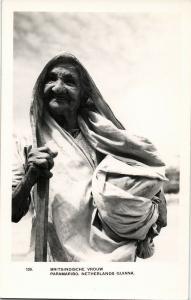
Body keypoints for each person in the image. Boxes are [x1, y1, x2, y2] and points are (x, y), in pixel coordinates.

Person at [12, 53, 167, 262]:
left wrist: (158, 202)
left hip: (112, 261)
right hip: (55, 261)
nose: (58, 87)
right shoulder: (25, 142)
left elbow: (144, 171)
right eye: (51, 79)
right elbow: (11, 212)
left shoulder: (104, 137)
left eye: (69, 81)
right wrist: (30, 177)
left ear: (84, 95)